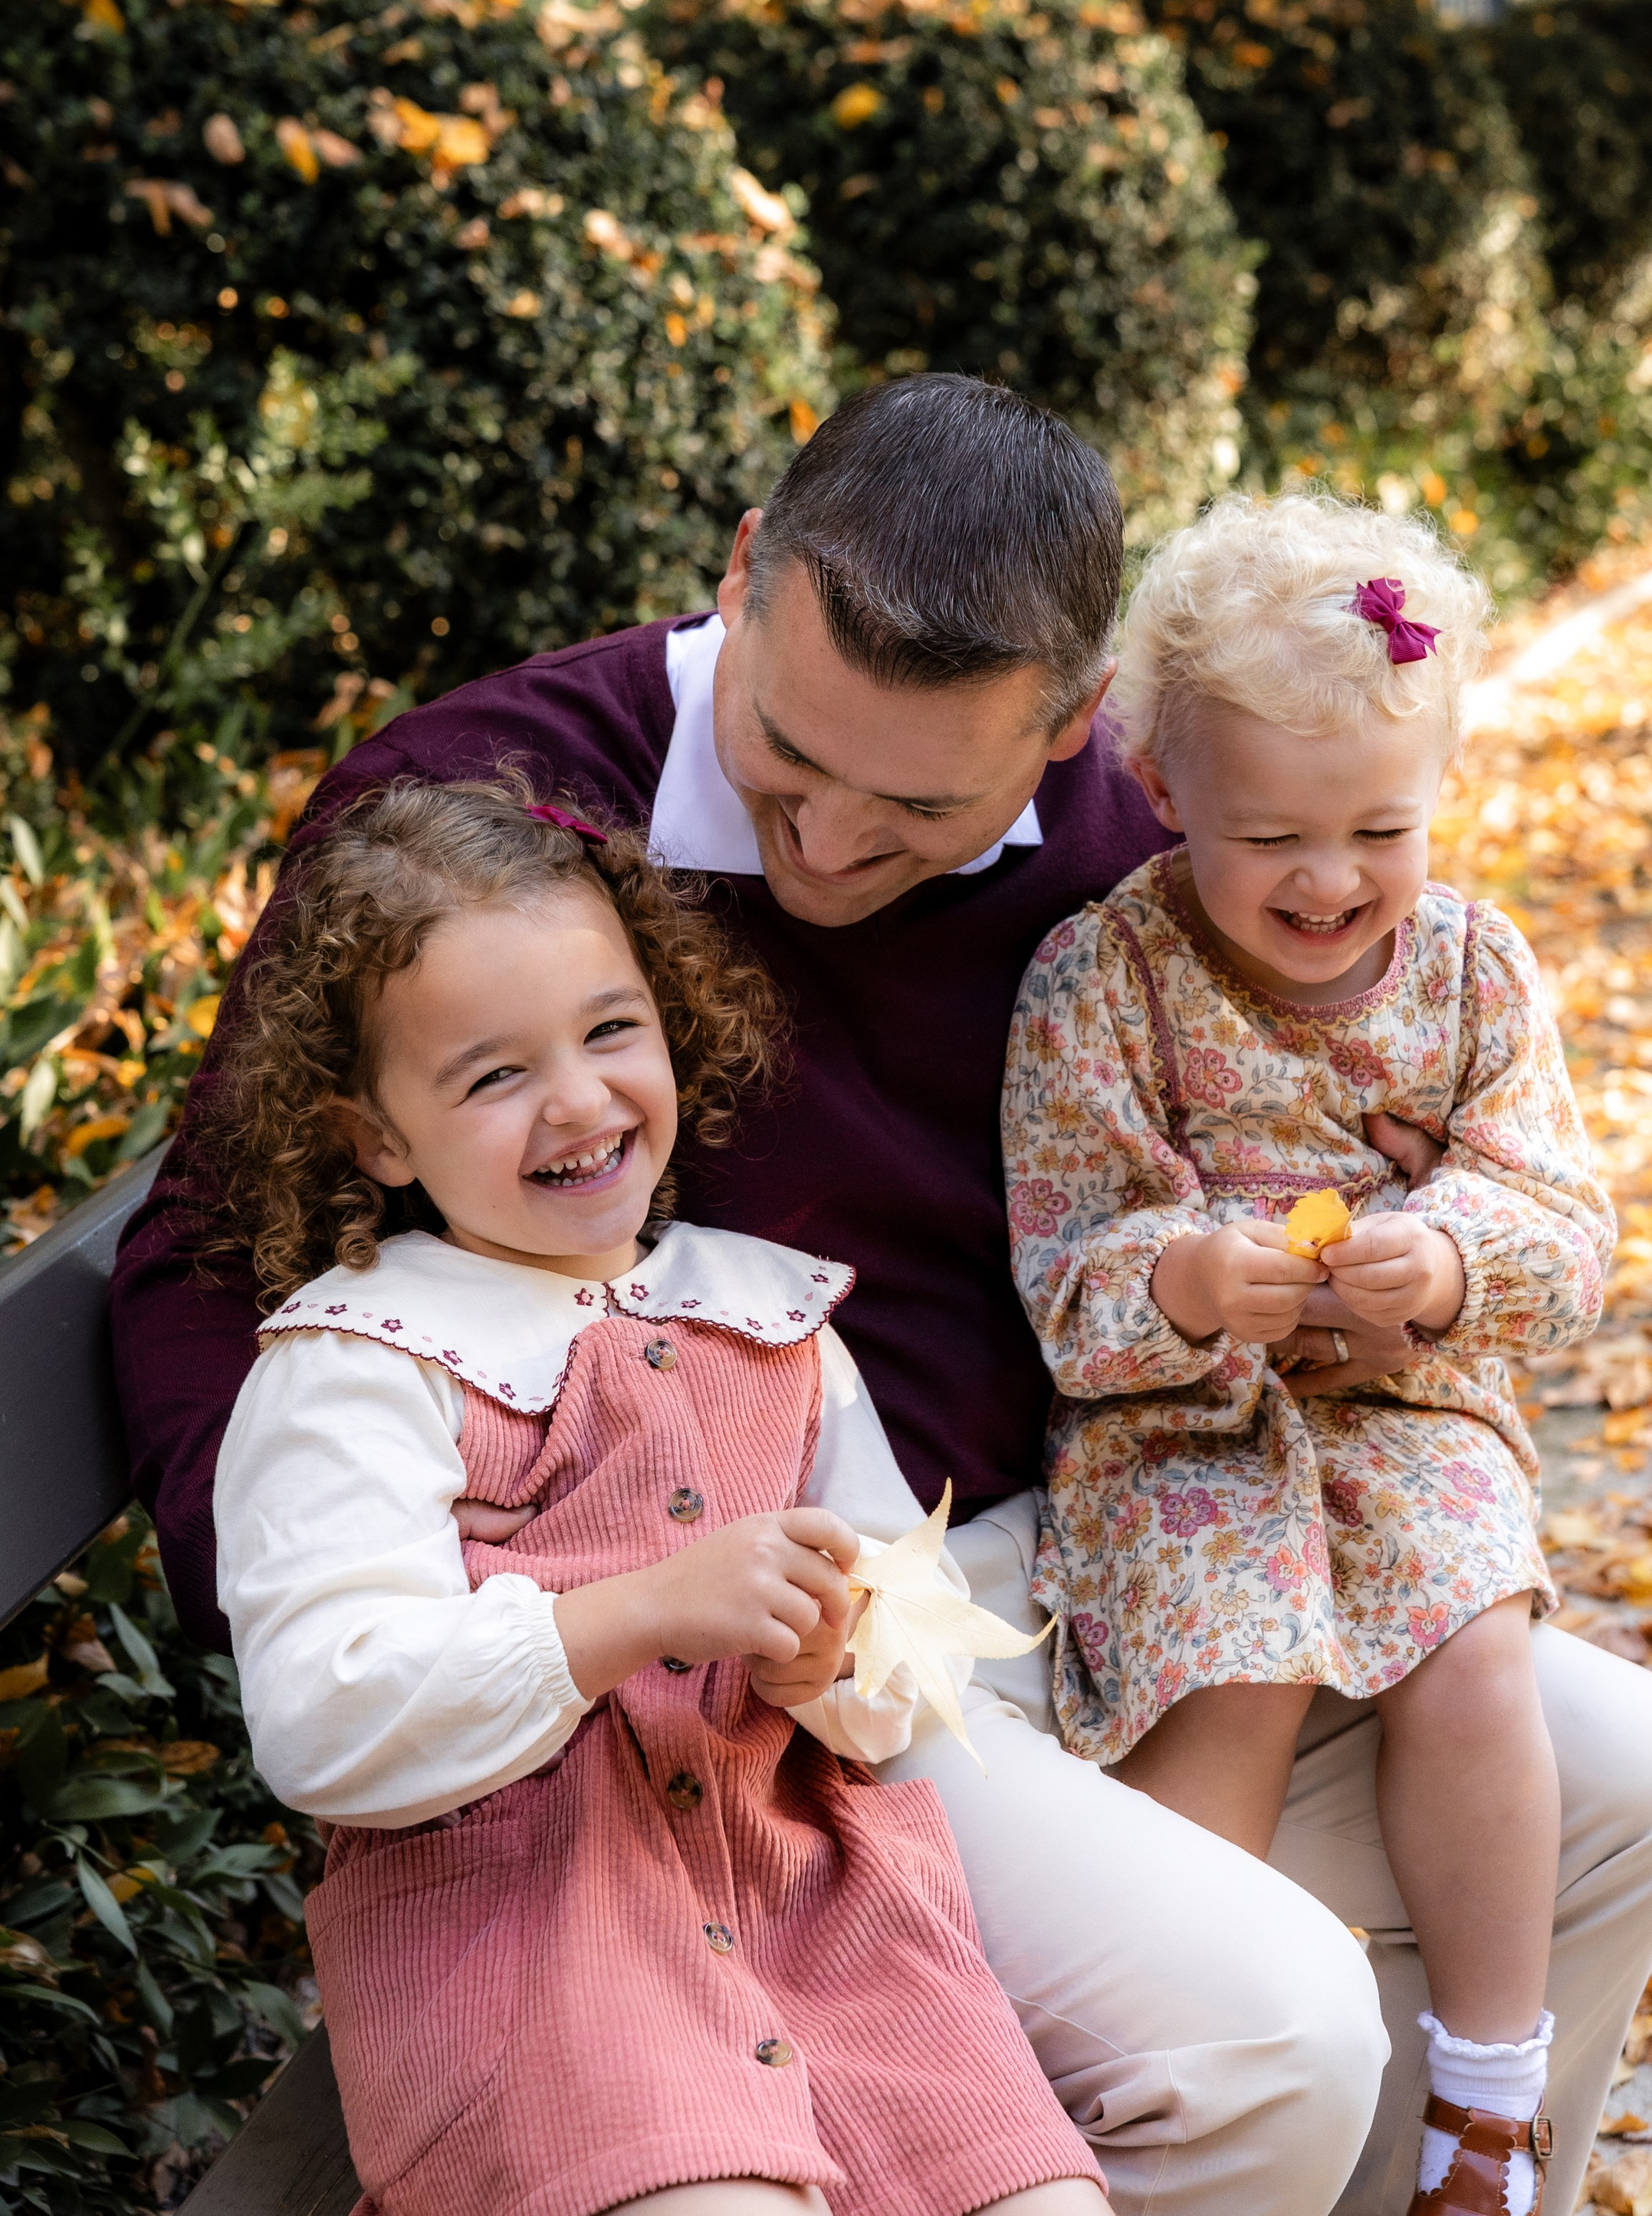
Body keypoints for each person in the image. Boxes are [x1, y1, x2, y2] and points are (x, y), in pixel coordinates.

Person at [110, 376, 1652, 2216]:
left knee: (1632, 1778)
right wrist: (390, 1619)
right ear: (744, 574)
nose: (827, 845)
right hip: (748, 1628)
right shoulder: (490, 810)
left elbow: (1362, 1072)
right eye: (789, 758)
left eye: (920, 805)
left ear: (1075, 726)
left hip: (1121, 1547)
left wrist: (1383, 1270)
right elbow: (208, 1260)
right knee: (1254, 2031)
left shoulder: (1143, 846)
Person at [209, 776, 1105, 2216]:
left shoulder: (768, 1313)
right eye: (492, 1076)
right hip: (538, 1956)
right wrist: (633, 1614)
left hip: (825, 1930)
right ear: (376, 1138)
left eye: (610, 1030)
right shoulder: (359, 1364)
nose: (577, 1099)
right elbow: (325, 1712)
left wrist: (836, 1660)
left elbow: (910, 1631)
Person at [1003, 491, 1618, 2216]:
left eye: (1379, 830)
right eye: (1272, 834)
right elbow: (1066, 1257)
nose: (1331, 880)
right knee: (1232, 1662)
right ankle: (1183, 2058)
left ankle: (1484, 2107)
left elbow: (1565, 1224)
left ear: (1440, 785)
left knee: (1474, 1647)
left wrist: (1451, 1261)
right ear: (1161, 785)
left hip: (1411, 1409)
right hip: (1181, 1429)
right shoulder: (1100, 982)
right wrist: (1191, 1279)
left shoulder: (1474, 972)